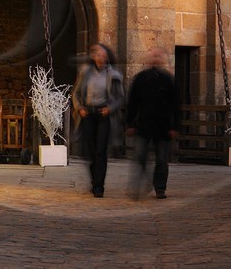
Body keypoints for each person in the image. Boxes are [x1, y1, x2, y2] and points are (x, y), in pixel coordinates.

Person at [126, 47, 180, 200]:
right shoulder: (140, 79)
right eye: (153, 56)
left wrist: (175, 126)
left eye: (158, 56)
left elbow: (175, 105)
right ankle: (142, 182)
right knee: (140, 156)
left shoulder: (168, 80)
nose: (155, 59)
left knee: (162, 159)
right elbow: (133, 102)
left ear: (162, 60)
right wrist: (130, 123)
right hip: (144, 124)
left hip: (163, 126)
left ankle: (160, 188)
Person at [72, 42, 125, 198]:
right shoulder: (85, 72)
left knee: (100, 151)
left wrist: (110, 108)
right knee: (90, 151)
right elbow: (75, 93)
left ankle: (98, 187)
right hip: (88, 114)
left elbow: (121, 97)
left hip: (103, 114)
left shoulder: (114, 75)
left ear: (107, 57)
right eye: (97, 55)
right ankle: (95, 180)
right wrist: (79, 108)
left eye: (103, 55)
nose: (100, 58)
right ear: (94, 57)